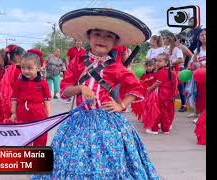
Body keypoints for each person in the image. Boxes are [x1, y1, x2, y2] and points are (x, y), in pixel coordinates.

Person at [33, 8, 159, 179]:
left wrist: (121, 105)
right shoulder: (77, 62)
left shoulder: (116, 67)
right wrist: (80, 88)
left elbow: (137, 88)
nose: (102, 39)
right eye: (97, 34)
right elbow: (64, 91)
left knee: (111, 161)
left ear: (115, 42)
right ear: (89, 37)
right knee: (73, 160)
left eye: (109, 36)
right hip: (79, 122)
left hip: (107, 122)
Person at [9, 50, 51, 146]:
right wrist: (13, 113)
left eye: (30, 68)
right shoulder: (19, 82)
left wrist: (48, 115)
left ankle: (38, 153)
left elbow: (47, 100)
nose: (26, 71)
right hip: (22, 112)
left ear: (38, 68)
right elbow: (14, 98)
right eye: (23, 68)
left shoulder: (43, 83)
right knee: (23, 136)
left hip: (39, 113)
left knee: (40, 136)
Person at [0, 45, 25, 124]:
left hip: (4, 104)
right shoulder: (18, 70)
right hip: (14, 106)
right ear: (18, 57)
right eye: (24, 56)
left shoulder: (4, 70)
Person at [147, 53, 178, 135]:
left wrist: (150, 89)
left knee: (157, 111)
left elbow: (157, 83)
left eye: (160, 61)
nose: (157, 62)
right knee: (166, 112)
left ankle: (154, 129)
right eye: (157, 60)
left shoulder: (161, 72)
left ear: (166, 62)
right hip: (168, 95)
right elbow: (174, 85)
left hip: (161, 94)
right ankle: (166, 129)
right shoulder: (171, 72)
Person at [166, 33, 187, 112]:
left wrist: (172, 62)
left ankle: (184, 105)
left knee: (180, 89)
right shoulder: (171, 50)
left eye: (172, 41)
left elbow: (181, 60)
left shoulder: (177, 49)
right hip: (173, 70)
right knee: (172, 88)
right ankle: (170, 104)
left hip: (178, 70)